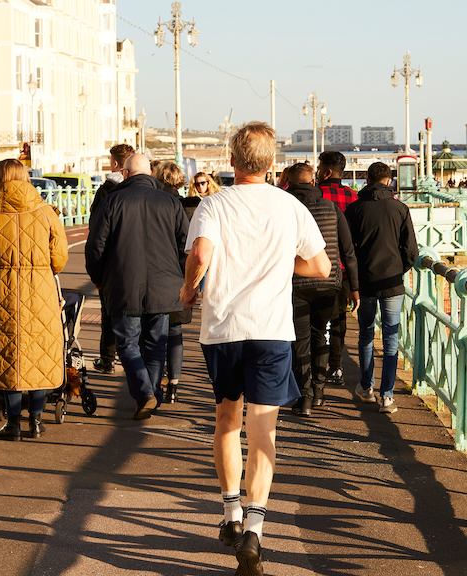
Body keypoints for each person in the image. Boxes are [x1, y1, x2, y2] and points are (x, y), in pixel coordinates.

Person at [180, 122, 330, 575]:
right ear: (272, 163)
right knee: (264, 430)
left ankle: (230, 513)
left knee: (227, 419)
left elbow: (201, 255)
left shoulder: (213, 204)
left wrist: (189, 291)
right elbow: (321, 266)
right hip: (271, 328)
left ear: (232, 160)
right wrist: (285, 265)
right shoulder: (288, 207)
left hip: (224, 327)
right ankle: (256, 530)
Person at [0, 159, 68, 441]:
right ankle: (36, 420)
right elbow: (59, 259)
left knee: (5, 350)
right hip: (40, 289)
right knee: (39, 351)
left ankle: (12, 424)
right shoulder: (45, 211)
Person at [86, 153, 188, 419]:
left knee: (128, 344)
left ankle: (145, 394)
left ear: (126, 174)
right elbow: (184, 245)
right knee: (156, 344)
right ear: (150, 175)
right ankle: (150, 392)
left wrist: (99, 278)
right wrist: (183, 280)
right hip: (164, 286)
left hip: (123, 285)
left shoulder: (112, 201)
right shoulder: (170, 202)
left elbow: (96, 246)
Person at [284, 163, 359, 416]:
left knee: (300, 340)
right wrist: (355, 288)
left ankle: (304, 396)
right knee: (321, 336)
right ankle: (319, 392)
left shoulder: (286, 208)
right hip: (329, 283)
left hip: (295, 283)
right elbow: (348, 251)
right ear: (313, 182)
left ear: (289, 183)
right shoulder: (332, 208)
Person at [345, 161, 419, 415]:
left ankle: (366, 387)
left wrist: (353, 279)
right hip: (392, 282)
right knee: (391, 338)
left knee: (365, 334)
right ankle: (387, 396)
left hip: (364, 282)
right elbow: (411, 251)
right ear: (389, 181)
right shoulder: (400, 208)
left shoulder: (354, 210)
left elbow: (348, 250)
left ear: (367, 180)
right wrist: (398, 269)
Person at [88, 144, 136, 375]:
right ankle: (138, 360)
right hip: (137, 259)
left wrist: (96, 271)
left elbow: (95, 230)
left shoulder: (106, 191)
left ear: (116, 164)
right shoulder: (144, 188)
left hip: (110, 262)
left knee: (109, 313)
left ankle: (108, 359)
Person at [153, 160, 195, 403]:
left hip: (156, 275)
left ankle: (156, 380)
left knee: (154, 331)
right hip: (179, 275)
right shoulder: (188, 207)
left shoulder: (153, 203)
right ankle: (175, 384)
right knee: (175, 330)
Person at [316, 150, 357, 388]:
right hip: (344, 265)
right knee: (339, 318)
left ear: (327, 171)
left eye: (320, 167)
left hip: (317, 265)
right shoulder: (353, 197)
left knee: (317, 320)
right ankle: (336, 366)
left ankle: (316, 369)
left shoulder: (317, 194)